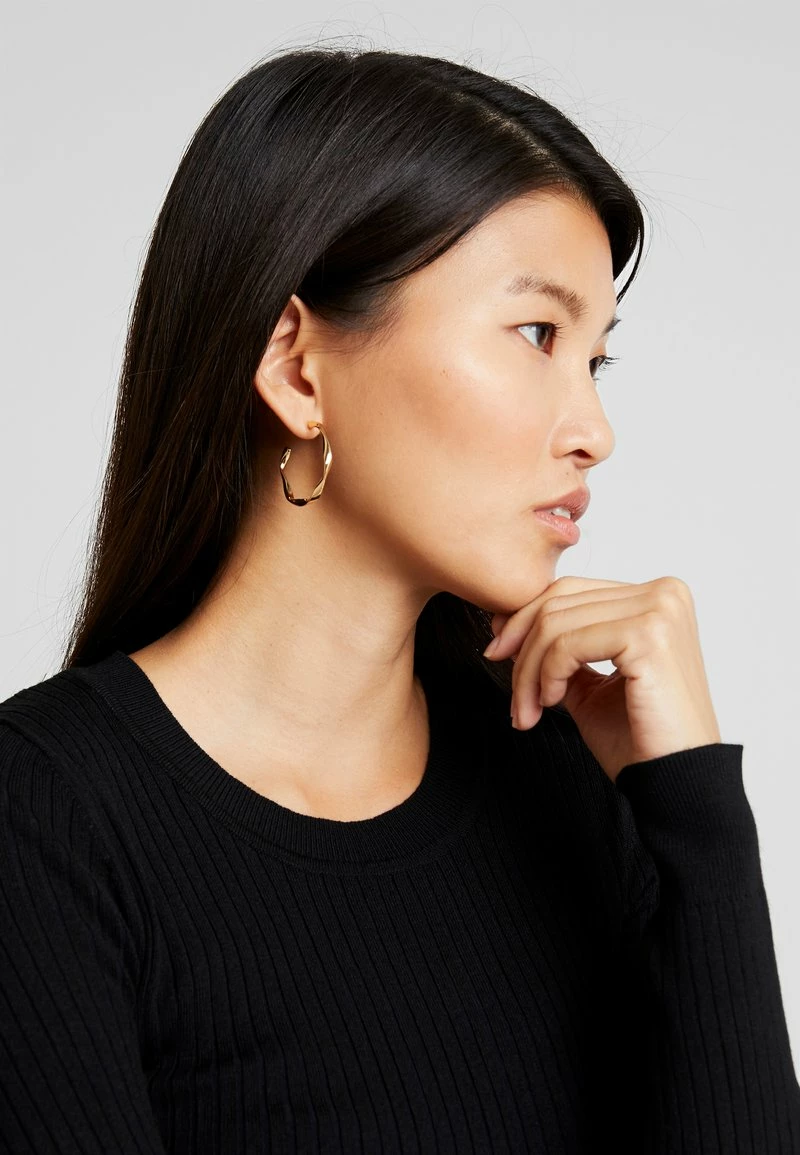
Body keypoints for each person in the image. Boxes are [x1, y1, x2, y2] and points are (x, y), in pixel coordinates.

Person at [1, 44, 798, 1155]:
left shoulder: (562, 779)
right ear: (297, 368)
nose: (593, 432)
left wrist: (696, 814)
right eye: (537, 334)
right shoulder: (43, 821)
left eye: (595, 361)